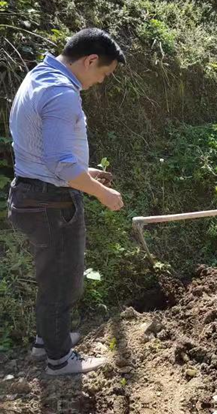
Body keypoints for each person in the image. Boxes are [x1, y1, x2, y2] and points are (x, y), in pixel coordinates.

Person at [8, 28, 125, 376]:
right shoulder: (62, 94)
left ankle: (48, 340)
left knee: (51, 276)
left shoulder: (40, 75)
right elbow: (61, 165)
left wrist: (82, 170)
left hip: (31, 193)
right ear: (90, 60)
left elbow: (44, 148)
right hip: (51, 202)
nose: (100, 82)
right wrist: (102, 194)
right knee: (63, 280)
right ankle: (60, 360)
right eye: (103, 74)